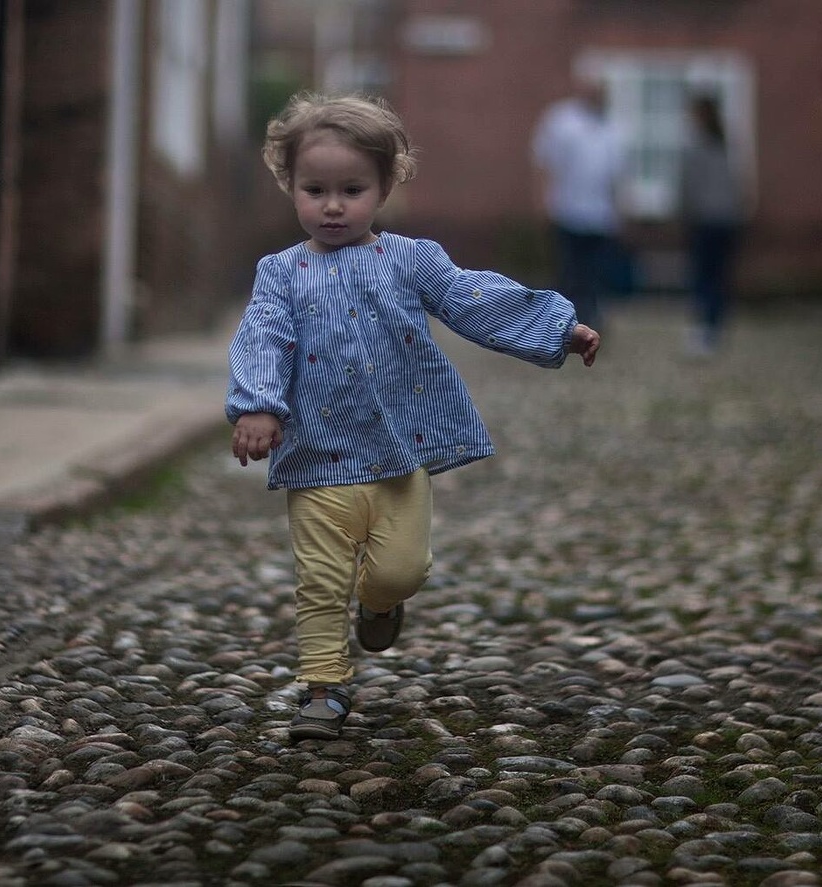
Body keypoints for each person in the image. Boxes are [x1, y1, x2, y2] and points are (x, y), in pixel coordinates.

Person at [227, 93, 600, 741]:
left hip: (399, 455)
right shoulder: (280, 274)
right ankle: (324, 686)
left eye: (352, 189)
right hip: (316, 459)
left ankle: (379, 603)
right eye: (315, 190)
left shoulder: (410, 259)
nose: (333, 205)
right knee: (319, 580)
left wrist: (558, 329)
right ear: (290, 185)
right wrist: (258, 404)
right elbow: (262, 336)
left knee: (402, 569)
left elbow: (474, 299)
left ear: (385, 185)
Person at [531, 72, 626, 330]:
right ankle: (565, 321)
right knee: (569, 270)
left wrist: (619, 209)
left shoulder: (612, 126)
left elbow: (617, 175)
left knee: (595, 272)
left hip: (600, 214)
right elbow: (544, 163)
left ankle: (591, 318)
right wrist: (543, 202)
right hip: (568, 209)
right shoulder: (561, 121)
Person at [678, 93, 744, 356]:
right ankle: (714, 326)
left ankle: (704, 329)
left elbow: (687, 189)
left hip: (705, 221)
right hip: (726, 221)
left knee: (704, 275)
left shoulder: (695, 148)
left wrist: (683, 215)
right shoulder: (725, 147)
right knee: (718, 276)